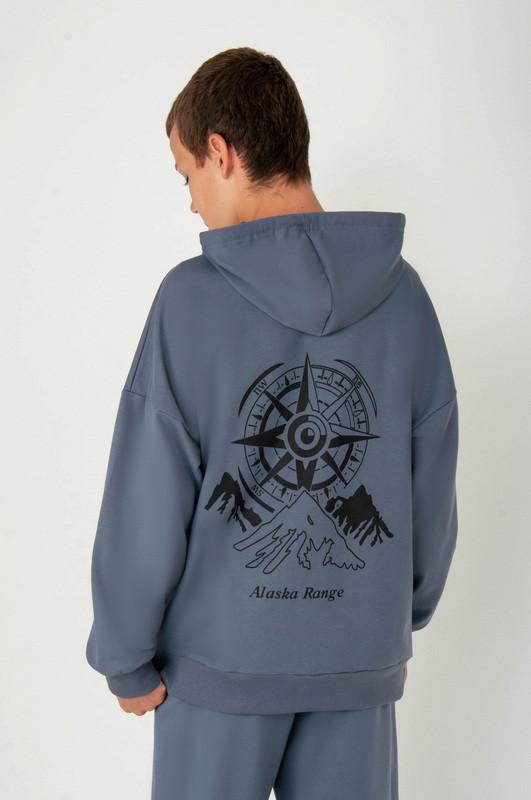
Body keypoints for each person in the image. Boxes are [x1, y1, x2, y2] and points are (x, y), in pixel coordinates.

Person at [86, 46, 459, 800]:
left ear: (221, 153)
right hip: (357, 666)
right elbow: (431, 483)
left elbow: (147, 495)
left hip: (216, 673)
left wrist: (125, 657)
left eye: (187, 175)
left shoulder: (189, 301)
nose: (192, 203)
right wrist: (395, 612)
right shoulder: (406, 299)